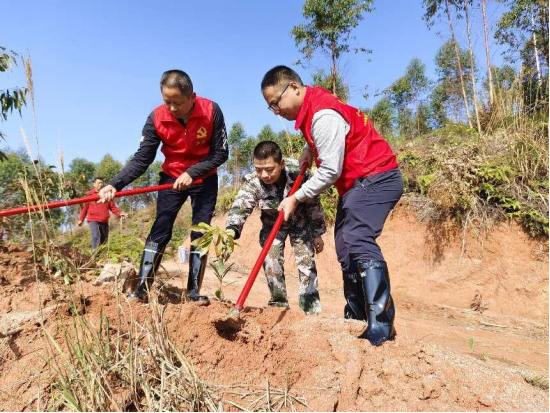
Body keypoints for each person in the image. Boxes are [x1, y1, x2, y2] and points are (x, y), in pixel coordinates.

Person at [261, 66, 403, 346]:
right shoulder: (314, 105)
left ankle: (381, 326)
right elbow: (323, 139)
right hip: (358, 183)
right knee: (346, 246)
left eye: (276, 103)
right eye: (270, 108)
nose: (276, 111)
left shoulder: (322, 114)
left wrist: (295, 197)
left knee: (358, 238)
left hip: (376, 176)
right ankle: (356, 317)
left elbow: (330, 172)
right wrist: (308, 150)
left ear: (294, 88)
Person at [98, 70, 228, 303]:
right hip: (171, 178)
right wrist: (114, 184)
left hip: (204, 178)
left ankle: (194, 292)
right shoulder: (156, 118)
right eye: (167, 101)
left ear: (192, 97)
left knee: (201, 231)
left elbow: (221, 153)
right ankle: (142, 289)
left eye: (177, 102)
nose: (172, 108)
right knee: (161, 229)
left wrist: (193, 172)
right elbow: (142, 159)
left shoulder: (211, 111)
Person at [225, 141, 326, 315]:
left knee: (306, 262)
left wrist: (317, 233)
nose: (264, 175)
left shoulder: (298, 173)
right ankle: (278, 304)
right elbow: (241, 206)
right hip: (273, 224)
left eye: (270, 169)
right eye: (258, 169)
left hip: (300, 220)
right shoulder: (253, 182)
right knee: (270, 259)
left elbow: (313, 204)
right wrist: (231, 230)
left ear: (281, 164)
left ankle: (310, 310)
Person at [78, 177, 127, 249]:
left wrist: (119, 214)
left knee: (104, 239)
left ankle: (102, 256)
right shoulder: (89, 194)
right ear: (94, 184)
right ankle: (94, 255)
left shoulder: (107, 194)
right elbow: (84, 209)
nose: (100, 184)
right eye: (98, 183)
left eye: (102, 183)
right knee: (96, 236)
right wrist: (81, 220)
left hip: (104, 221)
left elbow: (112, 207)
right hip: (93, 220)